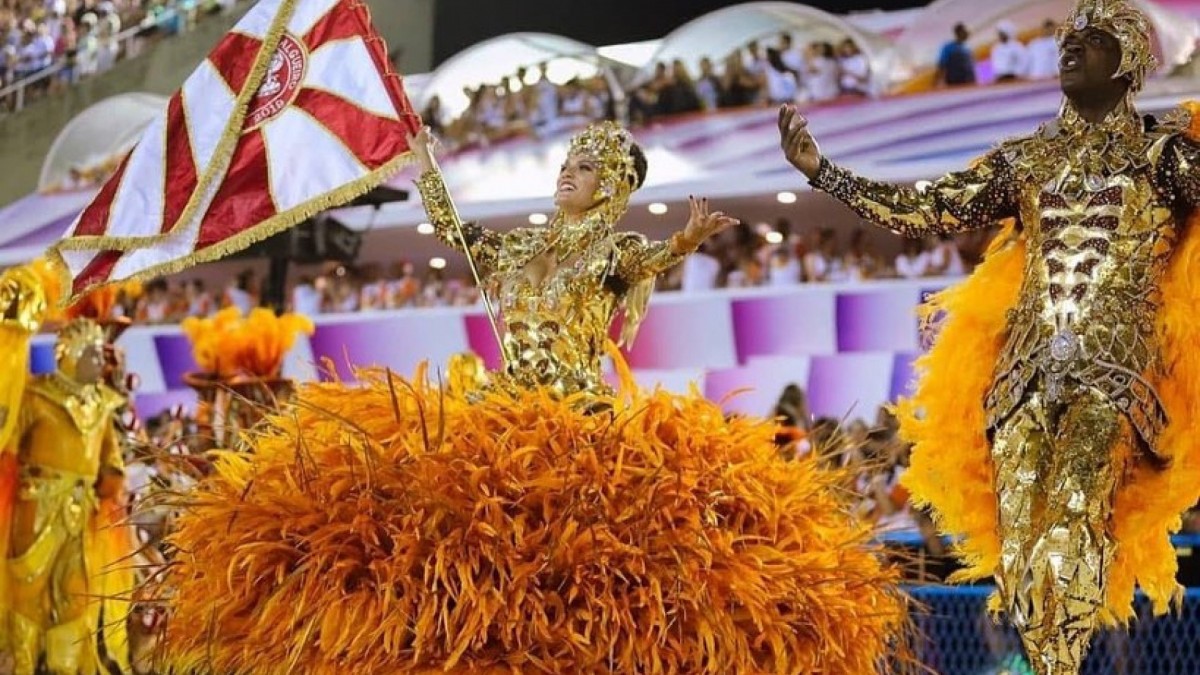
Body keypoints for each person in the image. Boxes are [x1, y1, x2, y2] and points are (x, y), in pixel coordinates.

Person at [152, 123, 911, 673]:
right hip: (505, 413)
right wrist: (422, 162)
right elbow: (453, 227)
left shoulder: (612, 251)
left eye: (585, 167)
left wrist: (683, 244)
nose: (568, 174)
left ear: (611, 186)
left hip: (578, 421)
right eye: (568, 162)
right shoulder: (519, 246)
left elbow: (645, 258)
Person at [778, 0, 1200, 672]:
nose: (1068, 48)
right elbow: (928, 208)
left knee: (1070, 517)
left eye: (1089, 41)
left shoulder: (1164, 155)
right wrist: (825, 174)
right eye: (1065, 38)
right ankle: (1048, 662)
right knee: (1022, 542)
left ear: (1128, 64)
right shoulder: (1027, 158)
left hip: (1118, 372)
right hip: (1024, 374)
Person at [0, 266, 137, 675]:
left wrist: (113, 483)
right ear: (68, 355)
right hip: (36, 510)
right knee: (29, 591)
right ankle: (22, 664)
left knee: (76, 597)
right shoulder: (36, 397)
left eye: (100, 352)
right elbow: (6, 436)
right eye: (92, 352)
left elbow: (110, 462)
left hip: (82, 519)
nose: (100, 359)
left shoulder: (105, 405)